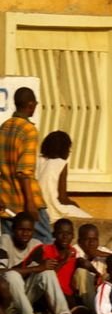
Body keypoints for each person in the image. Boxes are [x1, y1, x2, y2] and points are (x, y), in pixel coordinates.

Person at [23, 217, 98, 314]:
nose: (64, 237)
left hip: (67, 295)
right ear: (53, 234)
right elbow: (41, 278)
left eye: (68, 234)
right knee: (69, 303)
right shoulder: (43, 250)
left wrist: (96, 273)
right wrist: (63, 261)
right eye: (60, 233)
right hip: (43, 297)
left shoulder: (74, 252)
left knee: (79, 305)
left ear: (73, 236)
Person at [0, 86, 51, 243]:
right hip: (25, 200)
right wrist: (30, 204)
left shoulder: (4, 127)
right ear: (31, 105)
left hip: (6, 201)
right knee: (46, 243)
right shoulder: (29, 130)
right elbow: (24, 172)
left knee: (12, 246)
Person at [36, 130, 91, 223]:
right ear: (64, 149)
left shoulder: (38, 161)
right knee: (89, 220)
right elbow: (62, 198)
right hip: (54, 209)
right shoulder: (60, 163)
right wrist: (74, 205)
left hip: (38, 208)